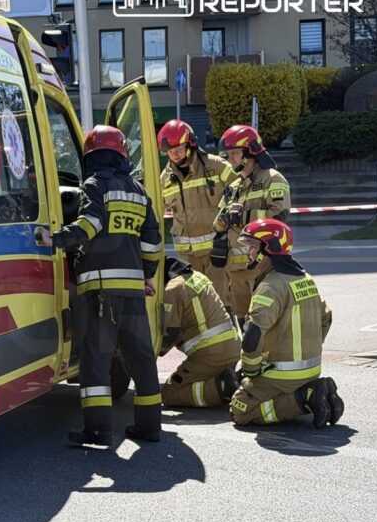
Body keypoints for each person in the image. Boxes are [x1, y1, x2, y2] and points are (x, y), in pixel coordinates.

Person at [37, 125, 163, 444]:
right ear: (121, 154)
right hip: (133, 291)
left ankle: (98, 430)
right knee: (141, 359)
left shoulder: (95, 185)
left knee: (96, 359)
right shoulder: (138, 190)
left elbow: (90, 225)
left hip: (101, 290)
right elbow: (153, 241)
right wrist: (146, 274)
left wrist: (55, 239)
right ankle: (149, 427)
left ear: (92, 156)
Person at [229, 218, 344, 427]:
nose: (248, 253)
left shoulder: (270, 287)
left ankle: (305, 398)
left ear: (269, 249)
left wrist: (251, 369)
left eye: (253, 247)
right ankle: (313, 392)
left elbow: (253, 334)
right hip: (312, 369)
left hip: (282, 374)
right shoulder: (305, 278)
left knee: (240, 409)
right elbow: (326, 317)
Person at [210, 124, 290, 326]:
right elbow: (218, 223)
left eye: (235, 153)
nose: (231, 159)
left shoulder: (272, 179)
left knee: (264, 321)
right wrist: (222, 221)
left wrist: (243, 217)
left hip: (261, 267)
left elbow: (279, 217)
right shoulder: (234, 186)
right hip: (235, 270)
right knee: (243, 322)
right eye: (228, 155)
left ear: (250, 152)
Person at [159, 119, 235, 309]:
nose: (174, 155)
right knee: (193, 307)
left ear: (190, 144)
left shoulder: (216, 166)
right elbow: (155, 213)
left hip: (216, 252)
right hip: (187, 257)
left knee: (220, 303)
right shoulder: (164, 179)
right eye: (169, 151)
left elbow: (240, 192)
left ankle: (228, 338)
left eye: (178, 149)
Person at [160, 256, 240, 408]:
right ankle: (229, 380)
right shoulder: (197, 276)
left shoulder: (172, 290)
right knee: (203, 379)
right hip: (232, 347)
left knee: (169, 394)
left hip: (210, 354)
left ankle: (222, 388)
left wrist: (150, 354)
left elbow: (169, 332)